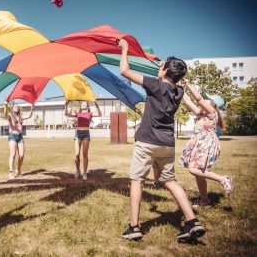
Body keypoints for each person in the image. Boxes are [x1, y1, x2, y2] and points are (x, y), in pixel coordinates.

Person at [117, 39, 205, 242]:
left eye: (163, 66)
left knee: (137, 180)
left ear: (165, 71)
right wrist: (164, 69)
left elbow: (124, 71)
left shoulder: (154, 85)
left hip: (147, 141)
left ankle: (134, 227)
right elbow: (171, 82)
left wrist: (125, 50)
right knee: (170, 181)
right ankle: (192, 221)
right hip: (166, 143)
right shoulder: (179, 91)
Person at [179, 81, 233, 207]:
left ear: (213, 104)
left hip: (207, 143)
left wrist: (188, 84)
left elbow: (198, 98)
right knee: (199, 174)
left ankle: (223, 179)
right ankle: (204, 201)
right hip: (199, 143)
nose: (204, 100)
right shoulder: (200, 113)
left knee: (193, 169)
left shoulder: (211, 112)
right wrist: (178, 87)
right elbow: (187, 100)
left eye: (207, 99)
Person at [64, 100, 102, 180]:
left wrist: (97, 105)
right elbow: (66, 114)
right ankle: (78, 171)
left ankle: (84, 172)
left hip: (86, 134)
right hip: (78, 133)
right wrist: (66, 105)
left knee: (85, 155)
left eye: (84, 103)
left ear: (87, 106)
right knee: (77, 154)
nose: (83, 104)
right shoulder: (78, 113)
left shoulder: (90, 114)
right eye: (82, 103)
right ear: (80, 106)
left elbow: (99, 114)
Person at [4, 102, 34, 179]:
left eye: (18, 107)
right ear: (12, 108)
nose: (17, 107)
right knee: (13, 155)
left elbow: (29, 116)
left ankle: (19, 170)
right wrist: (5, 106)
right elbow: (5, 114)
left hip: (20, 136)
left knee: (21, 155)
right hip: (12, 136)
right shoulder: (10, 116)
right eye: (15, 106)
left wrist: (32, 109)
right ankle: (11, 172)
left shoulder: (20, 117)